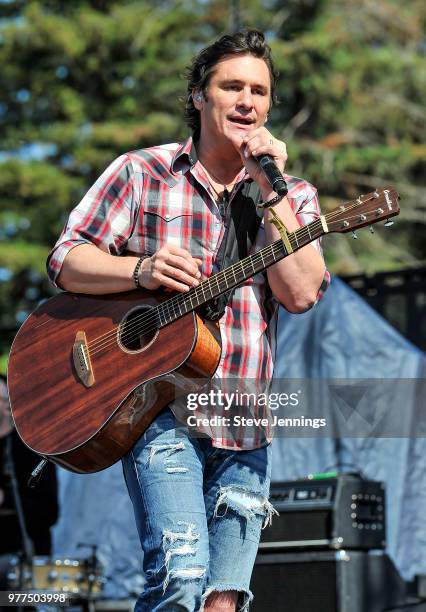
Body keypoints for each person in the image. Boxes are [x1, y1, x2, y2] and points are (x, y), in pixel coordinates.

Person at [47, 29, 329, 612]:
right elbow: (67, 259)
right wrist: (140, 269)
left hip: (247, 419)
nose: (248, 101)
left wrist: (269, 189)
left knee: (224, 600)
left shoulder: (292, 195)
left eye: (260, 90)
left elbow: (301, 293)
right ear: (200, 96)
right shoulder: (143, 172)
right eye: (232, 86)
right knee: (181, 575)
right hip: (159, 411)